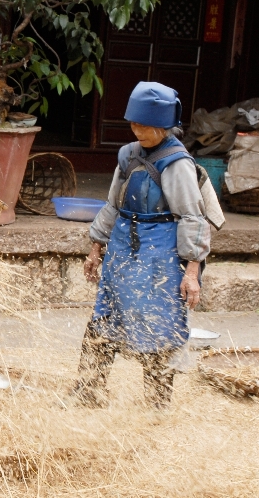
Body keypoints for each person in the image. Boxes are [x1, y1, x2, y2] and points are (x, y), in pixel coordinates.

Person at [73, 81, 211, 410]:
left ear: (165, 126)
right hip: (122, 248)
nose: (138, 131)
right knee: (103, 318)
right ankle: (88, 393)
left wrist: (191, 271)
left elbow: (193, 217)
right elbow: (112, 205)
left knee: (157, 325)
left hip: (158, 255)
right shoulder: (128, 155)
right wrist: (96, 248)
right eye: (134, 124)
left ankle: (156, 406)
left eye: (146, 126)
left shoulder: (177, 164)